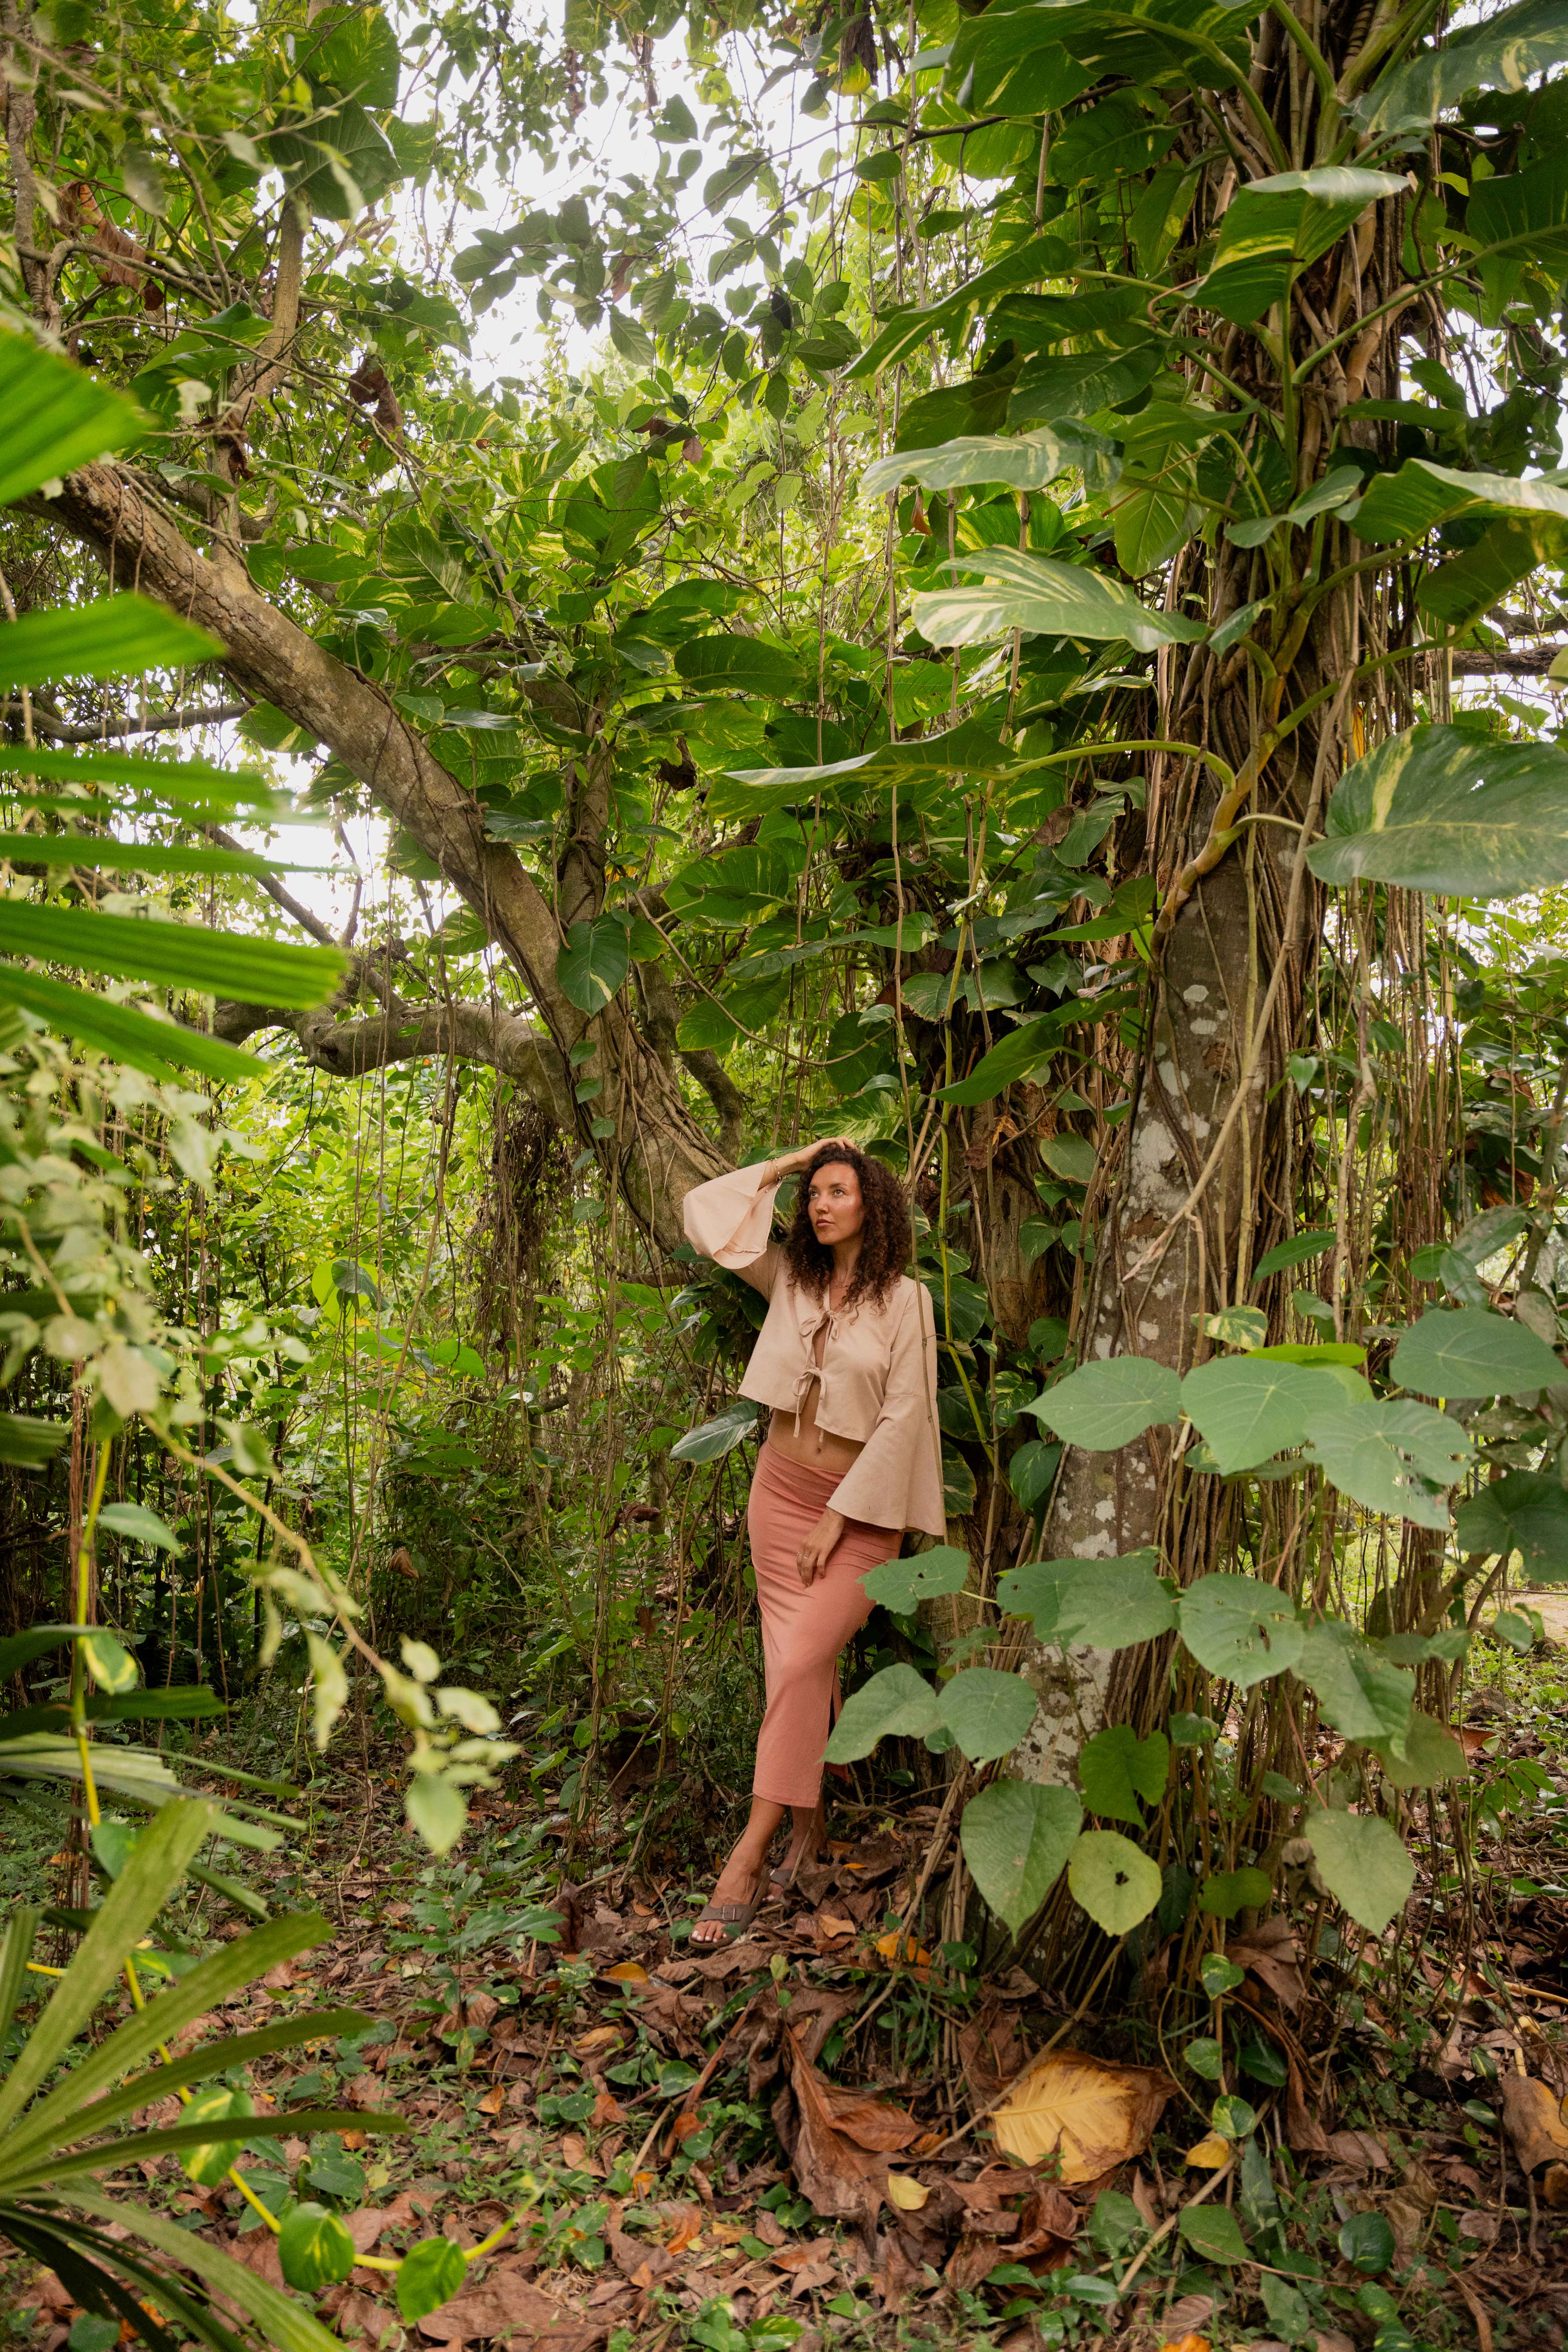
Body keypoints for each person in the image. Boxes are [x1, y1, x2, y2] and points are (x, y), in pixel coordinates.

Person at [680, 1138, 945, 1945]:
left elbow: (904, 1415)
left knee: (801, 1662)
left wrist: (841, 1514)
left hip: (860, 1517)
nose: (821, 1206)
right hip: (780, 1493)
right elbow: (706, 1218)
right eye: (815, 1195)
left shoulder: (907, 1301)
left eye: (837, 1191)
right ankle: (805, 1830)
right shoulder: (789, 1278)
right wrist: (786, 1163)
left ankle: (749, 1854)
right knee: (789, 1668)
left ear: (874, 1205)